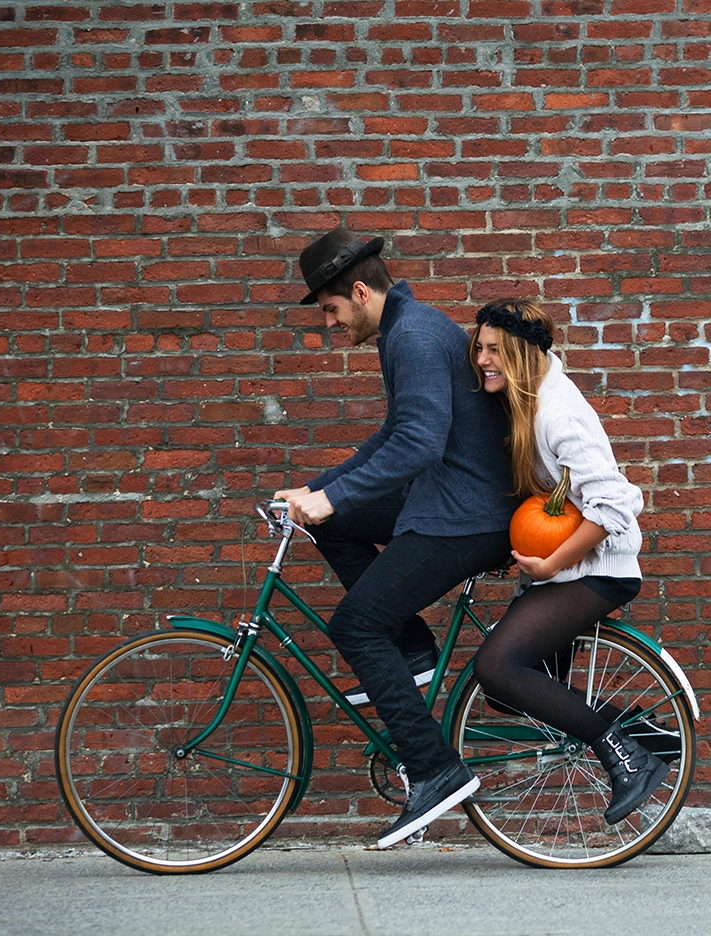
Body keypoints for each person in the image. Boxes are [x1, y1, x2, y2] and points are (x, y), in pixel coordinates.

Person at [273, 230, 517, 849]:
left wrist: (330, 495)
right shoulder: (410, 327)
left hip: (466, 517)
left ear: (360, 291)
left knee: (355, 625)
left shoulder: (410, 336)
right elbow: (395, 435)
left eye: (331, 309)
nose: (329, 324)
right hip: (449, 502)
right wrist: (316, 493)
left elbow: (419, 445)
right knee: (334, 520)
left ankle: (435, 769)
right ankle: (410, 652)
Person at [467, 299, 671, 825]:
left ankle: (630, 761)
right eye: (479, 349)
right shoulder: (529, 397)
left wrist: (549, 563)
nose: (483, 360)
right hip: (568, 568)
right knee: (513, 693)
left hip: (596, 571)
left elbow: (615, 503)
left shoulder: (559, 415)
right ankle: (646, 737)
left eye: (495, 351)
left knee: (496, 667)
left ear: (521, 354)